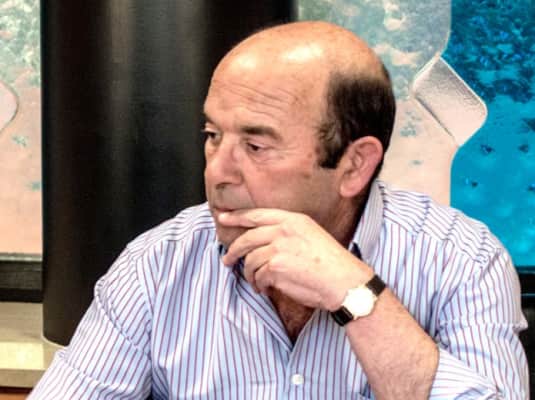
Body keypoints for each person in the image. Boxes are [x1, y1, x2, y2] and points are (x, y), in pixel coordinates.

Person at [29, 21, 528, 399]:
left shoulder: (461, 259)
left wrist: (356, 295)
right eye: (212, 136)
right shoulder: (158, 265)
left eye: (256, 146)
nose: (217, 171)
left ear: (355, 165)